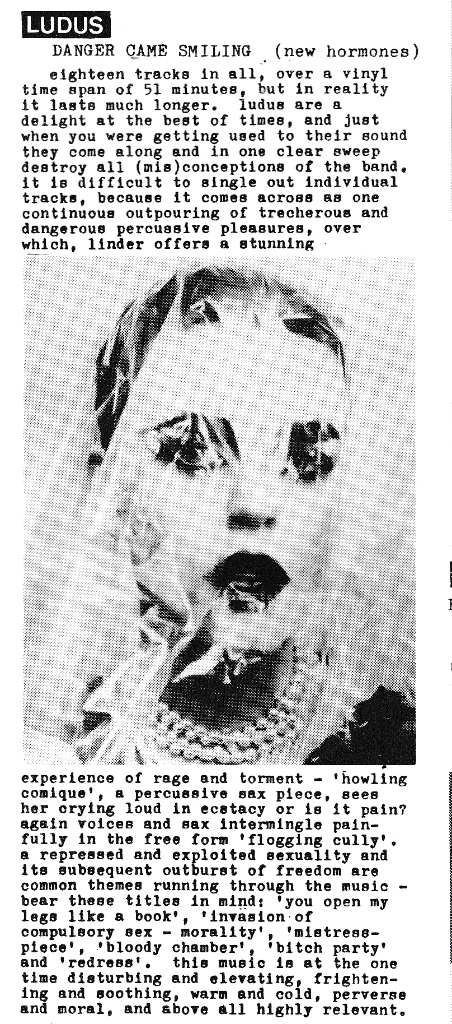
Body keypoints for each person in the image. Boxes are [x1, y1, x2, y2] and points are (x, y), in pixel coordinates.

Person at [27, 265, 415, 764]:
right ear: (109, 482)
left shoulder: (395, 745)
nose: (254, 507)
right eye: (191, 453)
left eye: (309, 460)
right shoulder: (40, 750)